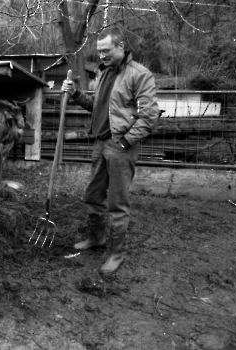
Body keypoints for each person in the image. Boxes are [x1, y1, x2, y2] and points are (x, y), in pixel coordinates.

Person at [61, 26, 159, 276]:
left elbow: (149, 116)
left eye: (106, 51)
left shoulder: (140, 75)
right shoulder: (103, 73)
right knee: (93, 195)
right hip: (100, 142)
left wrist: (126, 142)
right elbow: (97, 106)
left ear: (121, 46)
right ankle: (97, 237)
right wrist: (75, 94)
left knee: (117, 203)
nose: (101, 56)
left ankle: (116, 254)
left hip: (120, 146)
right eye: (99, 52)